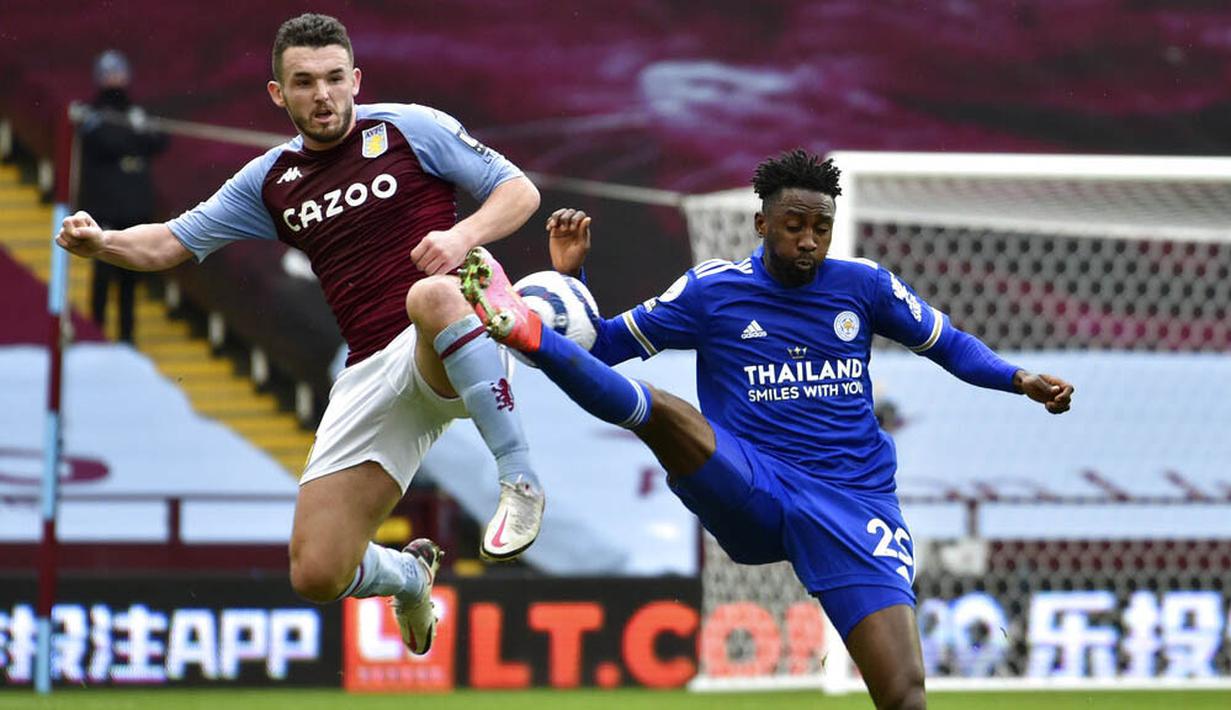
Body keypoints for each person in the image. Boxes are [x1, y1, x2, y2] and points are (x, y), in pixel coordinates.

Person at [461, 149, 1074, 709]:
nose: (809, 241)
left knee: (905, 696)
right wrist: (574, 285)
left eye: (821, 228)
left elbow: (950, 345)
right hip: (750, 483)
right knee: (668, 412)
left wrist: (1019, 378)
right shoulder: (711, 291)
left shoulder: (863, 285)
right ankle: (526, 330)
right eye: (794, 226)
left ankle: (527, 330)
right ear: (761, 224)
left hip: (854, 502)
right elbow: (605, 350)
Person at [56, 13, 546, 656]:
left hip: (451, 333)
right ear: (277, 94)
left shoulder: (409, 127)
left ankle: (520, 479)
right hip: (371, 369)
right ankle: (409, 576)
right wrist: (101, 243)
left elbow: (518, 191)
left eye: (335, 78)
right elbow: (170, 242)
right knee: (317, 571)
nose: (323, 95)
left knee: (430, 293)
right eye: (305, 82)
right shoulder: (270, 181)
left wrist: (461, 236)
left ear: (356, 79)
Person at [79, 49, 169, 343]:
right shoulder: (93, 115)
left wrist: (132, 139)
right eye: (108, 73)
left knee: (131, 273)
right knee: (103, 272)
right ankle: (96, 333)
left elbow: (160, 140)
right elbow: (105, 142)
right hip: (104, 207)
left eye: (118, 72)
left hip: (134, 207)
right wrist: (134, 141)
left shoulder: (135, 113)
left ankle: (127, 339)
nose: (114, 79)